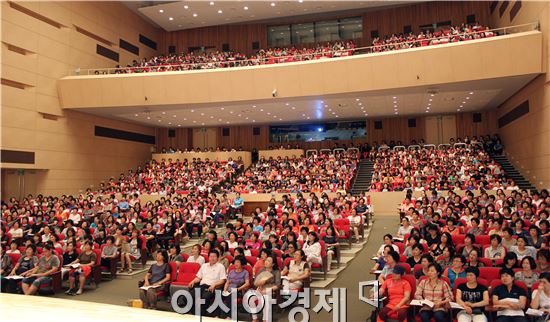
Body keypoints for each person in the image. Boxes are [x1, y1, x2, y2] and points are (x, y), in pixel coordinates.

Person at [188, 250, 227, 317]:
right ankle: (195, 312)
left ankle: (201, 314)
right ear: (208, 257)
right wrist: (193, 281)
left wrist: (214, 284)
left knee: (204, 298)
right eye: (210, 256)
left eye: (214, 256)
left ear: (217, 258)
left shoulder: (220, 266)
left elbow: (223, 280)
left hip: (212, 287)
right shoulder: (204, 265)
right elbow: (198, 277)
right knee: (190, 295)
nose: (212, 258)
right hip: (202, 286)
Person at [251, 254, 281, 322]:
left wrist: (267, 290)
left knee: (265, 299)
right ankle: (255, 318)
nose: (266, 262)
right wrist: (260, 283)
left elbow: (278, 285)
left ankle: (265, 319)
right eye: (266, 260)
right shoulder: (262, 269)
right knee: (250, 298)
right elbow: (255, 283)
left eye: (269, 261)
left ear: (273, 264)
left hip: (270, 289)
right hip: (260, 289)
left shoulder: (276, 271)